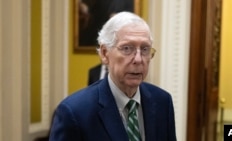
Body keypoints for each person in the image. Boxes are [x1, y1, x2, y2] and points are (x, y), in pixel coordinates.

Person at [49, 11, 176, 141]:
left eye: (145, 49)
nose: (138, 59)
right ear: (104, 54)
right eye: (127, 48)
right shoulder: (74, 112)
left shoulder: (163, 101)